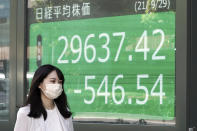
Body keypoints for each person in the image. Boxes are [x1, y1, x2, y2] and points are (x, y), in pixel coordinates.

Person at [14, 64, 74, 131]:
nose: (57, 85)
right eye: (52, 81)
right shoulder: (25, 113)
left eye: (59, 82)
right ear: (39, 84)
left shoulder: (65, 111)